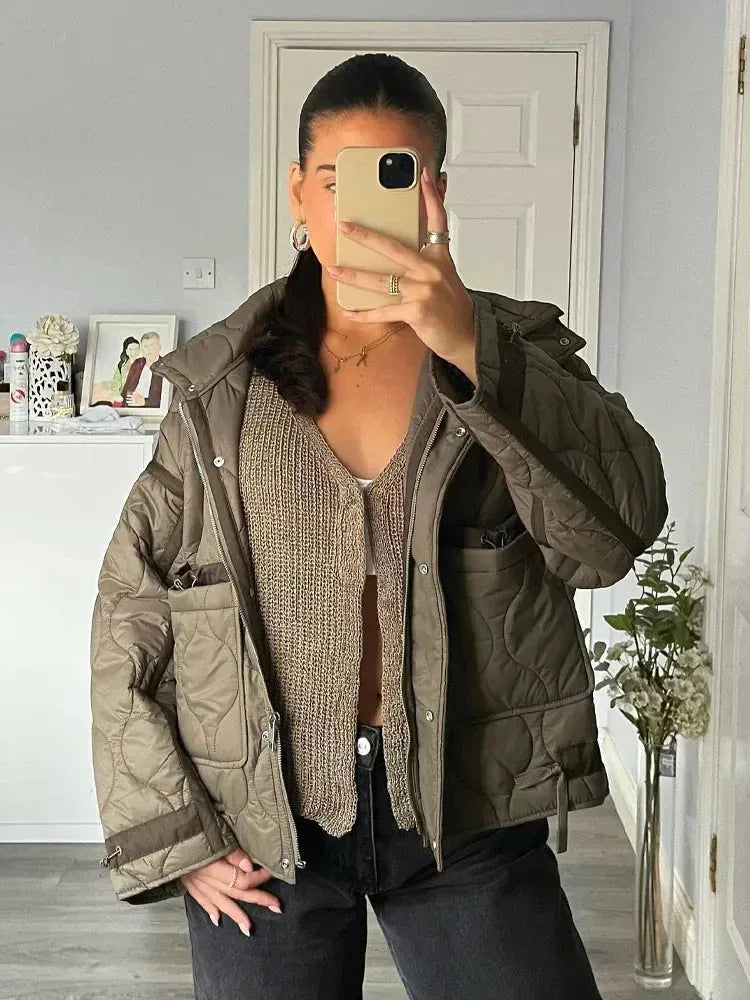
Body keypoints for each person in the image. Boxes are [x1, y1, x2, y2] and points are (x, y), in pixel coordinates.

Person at [90, 53, 669, 999]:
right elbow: (131, 614)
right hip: (262, 826)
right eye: (336, 179)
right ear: (298, 192)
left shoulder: (509, 359)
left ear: (435, 189)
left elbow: (613, 536)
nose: (359, 212)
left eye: (397, 175)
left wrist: (472, 347)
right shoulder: (219, 394)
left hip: (469, 815)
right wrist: (179, 837)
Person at [121, 330, 163, 406]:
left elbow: (167, 399)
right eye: (145, 346)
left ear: (159, 347)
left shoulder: (166, 366)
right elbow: (126, 389)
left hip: (150, 410)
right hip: (130, 407)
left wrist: (144, 402)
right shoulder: (137, 363)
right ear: (142, 349)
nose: (148, 350)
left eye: (152, 345)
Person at [106, 336, 140, 400]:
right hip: (123, 396)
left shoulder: (142, 364)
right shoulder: (121, 366)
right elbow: (116, 382)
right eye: (131, 349)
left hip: (137, 397)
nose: (134, 352)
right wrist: (117, 395)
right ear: (126, 351)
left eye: (136, 349)